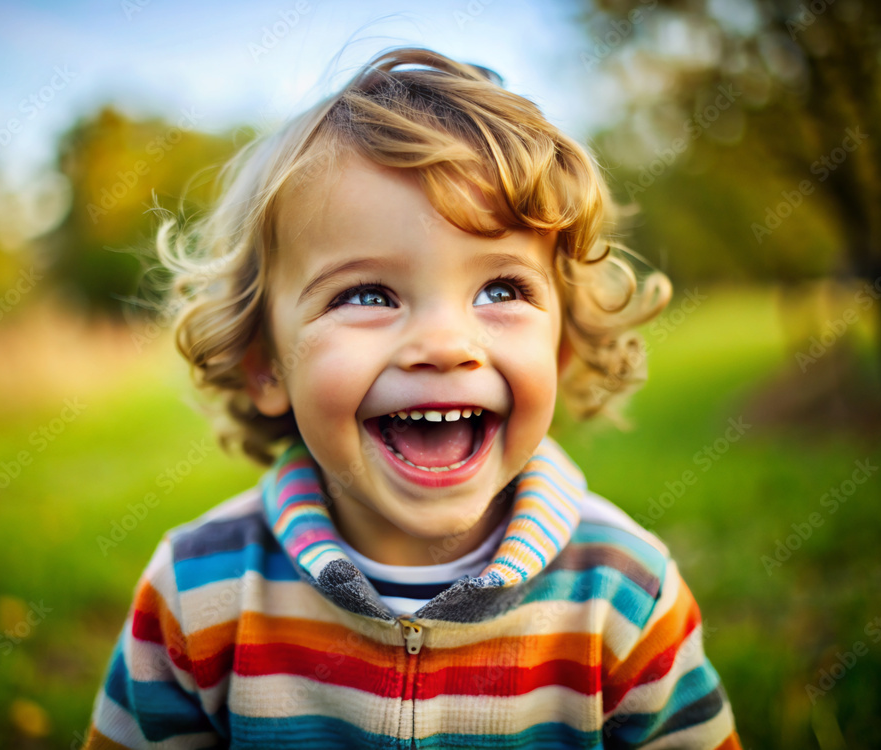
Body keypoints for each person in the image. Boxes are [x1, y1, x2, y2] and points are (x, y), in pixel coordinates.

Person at [82, 47, 741, 749]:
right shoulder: (198, 591)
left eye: (501, 290)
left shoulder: (622, 593)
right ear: (265, 367)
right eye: (367, 294)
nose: (445, 343)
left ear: (561, 348)